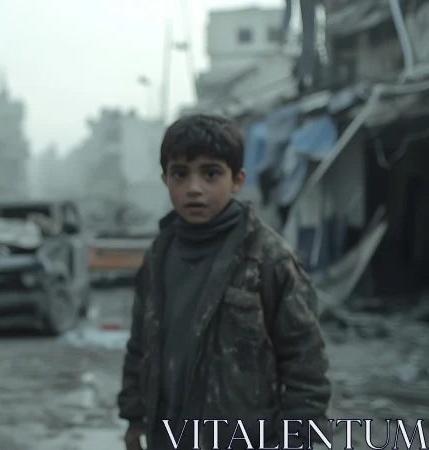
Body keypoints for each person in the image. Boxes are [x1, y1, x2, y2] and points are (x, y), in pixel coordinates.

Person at [117, 114, 331, 450]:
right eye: (180, 174)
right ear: (165, 179)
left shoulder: (267, 258)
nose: (194, 188)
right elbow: (140, 345)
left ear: (237, 180)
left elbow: (305, 364)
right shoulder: (159, 255)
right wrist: (134, 417)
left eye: (211, 173)